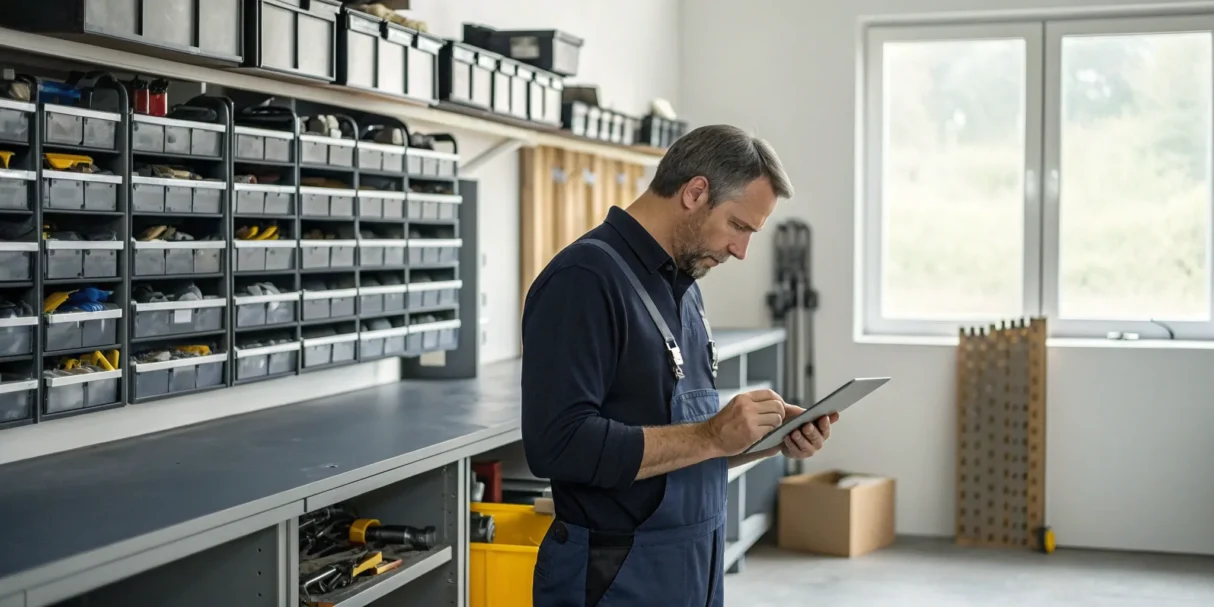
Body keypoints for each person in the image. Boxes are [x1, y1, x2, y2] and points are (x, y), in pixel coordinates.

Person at [520, 124, 839, 607]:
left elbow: (679, 453)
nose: (741, 250)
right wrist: (711, 435)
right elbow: (557, 446)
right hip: (615, 577)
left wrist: (759, 443)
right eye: (738, 226)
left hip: (692, 571)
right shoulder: (584, 280)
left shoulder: (683, 288)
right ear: (695, 193)